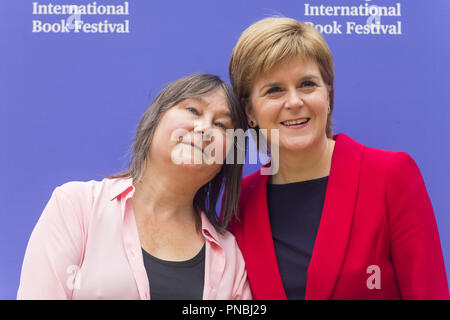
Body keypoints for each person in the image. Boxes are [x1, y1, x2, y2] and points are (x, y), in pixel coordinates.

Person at [228, 17, 449, 299]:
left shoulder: (390, 175)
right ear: (249, 111)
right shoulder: (239, 203)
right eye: (274, 90)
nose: (294, 102)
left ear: (328, 95)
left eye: (307, 84)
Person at [17, 73, 252, 300]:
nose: (204, 129)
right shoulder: (77, 205)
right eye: (192, 110)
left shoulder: (231, 255)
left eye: (221, 125)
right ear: (154, 120)